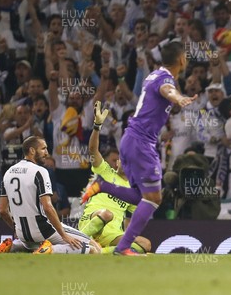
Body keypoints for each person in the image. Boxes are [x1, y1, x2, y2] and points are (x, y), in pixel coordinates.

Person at [82, 41, 197, 255]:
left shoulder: (153, 75)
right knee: (155, 198)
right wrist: (178, 98)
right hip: (142, 143)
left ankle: (103, 185)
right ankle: (123, 248)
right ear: (181, 59)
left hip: (131, 139)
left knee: (141, 195)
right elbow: (168, 90)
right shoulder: (164, 79)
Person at [0, 136, 100, 254]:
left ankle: (13, 246)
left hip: (22, 235)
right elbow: (48, 207)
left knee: (32, 246)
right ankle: (50, 249)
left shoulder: (8, 173)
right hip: (44, 230)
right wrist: (64, 235)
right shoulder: (40, 171)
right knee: (94, 248)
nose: (47, 153)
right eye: (43, 149)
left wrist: (16, 229)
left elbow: (2, 210)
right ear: (32, 151)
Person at [78, 102, 151, 254]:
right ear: (117, 162)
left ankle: (99, 252)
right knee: (106, 213)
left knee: (145, 244)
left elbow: (135, 217)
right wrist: (97, 126)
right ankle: (79, 243)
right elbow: (92, 150)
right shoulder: (105, 171)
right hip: (93, 221)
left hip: (112, 234)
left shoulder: (132, 190)